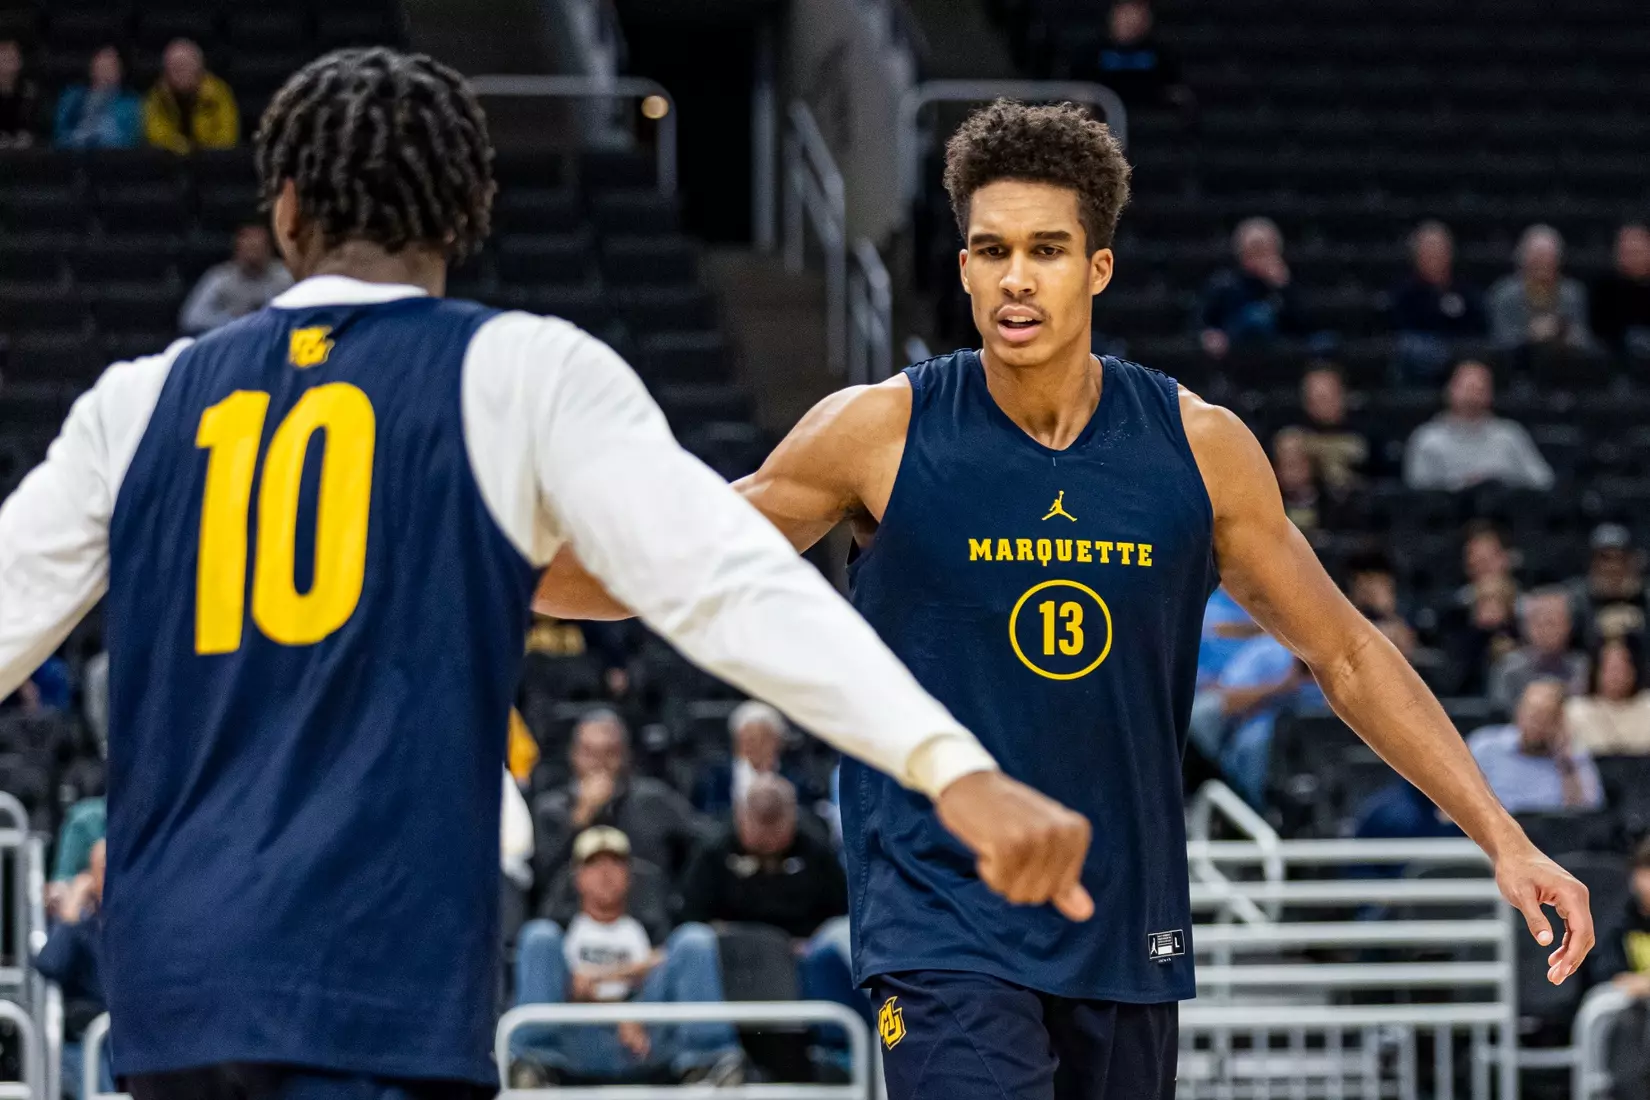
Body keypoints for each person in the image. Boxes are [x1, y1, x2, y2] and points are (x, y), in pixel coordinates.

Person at [0, 52, 1091, 1100]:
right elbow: (727, 579)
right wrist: (950, 764)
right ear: (467, 211)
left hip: (174, 989)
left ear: (286, 212)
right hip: (376, 964)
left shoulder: (135, 402)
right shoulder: (519, 370)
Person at [539, 98, 1595, 1100]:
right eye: (992, 249)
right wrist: (493, 566)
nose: (1016, 278)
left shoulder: (1200, 448)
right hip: (942, 911)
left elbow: (1347, 653)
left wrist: (1504, 836)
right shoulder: (879, 430)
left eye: (1045, 249)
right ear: (961, 267)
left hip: (1123, 919)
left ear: (1097, 266)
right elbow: (677, 556)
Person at [511, 827, 742, 1086]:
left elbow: (668, 958)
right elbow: (552, 980)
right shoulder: (561, 928)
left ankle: (707, 1062)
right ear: (578, 877)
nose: (605, 873)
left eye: (615, 863)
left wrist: (615, 996)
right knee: (537, 936)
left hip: (646, 1031)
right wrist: (598, 1001)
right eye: (594, 864)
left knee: (694, 939)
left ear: (629, 875)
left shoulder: (651, 924)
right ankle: (532, 1064)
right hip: (578, 1034)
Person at [533, 710, 706, 887]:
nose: (599, 763)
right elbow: (544, 880)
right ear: (573, 755)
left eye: (610, 752)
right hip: (570, 911)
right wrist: (581, 817)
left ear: (626, 756)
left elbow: (704, 844)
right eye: (589, 753)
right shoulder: (550, 809)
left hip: (648, 908)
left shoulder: (654, 798)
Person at [1403, 359, 1554, 491]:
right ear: (1449, 390)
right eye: (1467, 388)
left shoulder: (1510, 435)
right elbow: (1417, 489)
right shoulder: (1427, 438)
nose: (1473, 395)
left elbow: (1543, 482)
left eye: (1480, 389)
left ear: (1491, 394)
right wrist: (1462, 486)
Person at [35, 840, 113, 1099]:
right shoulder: (82, 927)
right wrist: (70, 909)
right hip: (87, 1038)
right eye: (103, 867)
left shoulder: (141, 920)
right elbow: (50, 964)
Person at [1468, 679, 1603, 814]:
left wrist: (1566, 765)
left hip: (1552, 831)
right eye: (1532, 716)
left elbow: (1588, 815)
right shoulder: (1484, 747)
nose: (1536, 725)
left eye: (1545, 717)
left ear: (1559, 721)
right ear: (1519, 713)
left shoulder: (1574, 757)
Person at [1388, 221, 1487, 381]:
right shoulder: (1404, 292)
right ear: (1416, 256)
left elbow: (1478, 328)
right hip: (1420, 364)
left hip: (1461, 359)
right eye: (1428, 250)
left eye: (1440, 250)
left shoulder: (1466, 290)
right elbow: (1401, 331)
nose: (1435, 256)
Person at [1198, 216, 1308, 359]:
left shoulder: (1285, 282)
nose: (1259, 258)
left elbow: (1302, 327)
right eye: (1253, 251)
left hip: (1277, 354)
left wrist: (1284, 287)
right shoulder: (1224, 283)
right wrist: (1210, 336)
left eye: (1265, 251)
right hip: (1233, 352)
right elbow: (1200, 322)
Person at [1068, 0, 1192, 111]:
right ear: (1112, 15)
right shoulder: (1089, 53)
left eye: (1138, 12)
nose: (1131, 19)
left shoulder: (1163, 54)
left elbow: (1176, 91)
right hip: (1102, 123)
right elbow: (1075, 91)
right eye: (1125, 12)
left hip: (1147, 123)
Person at [1488, 224, 1593, 351]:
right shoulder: (1505, 293)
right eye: (1537, 257)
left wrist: (1560, 331)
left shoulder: (1572, 294)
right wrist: (1530, 334)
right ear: (1523, 259)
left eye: (1549, 256)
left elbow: (1583, 339)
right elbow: (1499, 340)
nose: (1543, 263)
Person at [1488, 588, 1592, 714]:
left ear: (1569, 625)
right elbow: (1500, 713)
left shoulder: (1582, 667)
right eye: (1539, 621)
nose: (1547, 630)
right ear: (1526, 627)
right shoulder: (1509, 668)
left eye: (1553, 622)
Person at [179, 225, 294, 335]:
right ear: (237, 251)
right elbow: (192, 318)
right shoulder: (220, 278)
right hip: (233, 340)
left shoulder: (285, 277)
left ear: (269, 250)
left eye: (257, 249)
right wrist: (231, 319)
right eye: (248, 249)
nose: (252, 256)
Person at [693, 700, 802, 816]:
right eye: (749, 740)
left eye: (763, 740)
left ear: (778, 743)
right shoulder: (715, 777)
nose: (755, 747)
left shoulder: (793, 778)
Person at [143, 38, 238, 154]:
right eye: (174, 67)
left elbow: (227, 136)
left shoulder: (218, 93)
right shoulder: (158, 96)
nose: (180, 72)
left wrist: (201, 151)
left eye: (186, 65)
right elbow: (156, 135)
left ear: (199, 67)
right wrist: (184, 148)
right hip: (170, 162)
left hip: (213, 162)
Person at [1564, 523, 1648, 644]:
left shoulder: (1645, 597)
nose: (1612, 567)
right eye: (1605, 558)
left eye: (1619, 558)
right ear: (1593, 561)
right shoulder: (1576, 599)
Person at [1292, 362, 1369, 492]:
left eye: (1325, 396)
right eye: (1313, 396)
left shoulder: (1367, 432)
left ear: (1343, 395)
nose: (1319, 402)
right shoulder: (1292, 432)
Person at [1566, 637, 1650, 756]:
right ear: (1596, 672)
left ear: (1634, 671)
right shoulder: (1576, 711)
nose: (1616, 675)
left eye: (1622, 668)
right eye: (1609, 668)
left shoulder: (1647, 706)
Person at [53, 46, 141, 150]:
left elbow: (126, 139)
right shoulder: (72, 96)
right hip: (71, 155)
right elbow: (59, 132)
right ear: (91, 70)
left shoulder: (130, 104)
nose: (104, 74)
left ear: (120, 72)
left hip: (111, 158)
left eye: (109, 68)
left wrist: (93, 138)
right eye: (100, 67)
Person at [1590, 223, 1650, 361]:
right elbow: (1599, 333)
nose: (1633, 258)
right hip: (1615, 360)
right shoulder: (1604, 289)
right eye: (1627, 253)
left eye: (1638, 252)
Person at [0, 39, 40, 149]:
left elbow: (29, 122)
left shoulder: (28, 90)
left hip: (21, 144)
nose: (8, 66)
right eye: (4, 60)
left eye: (12, 60)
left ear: (19, 63)